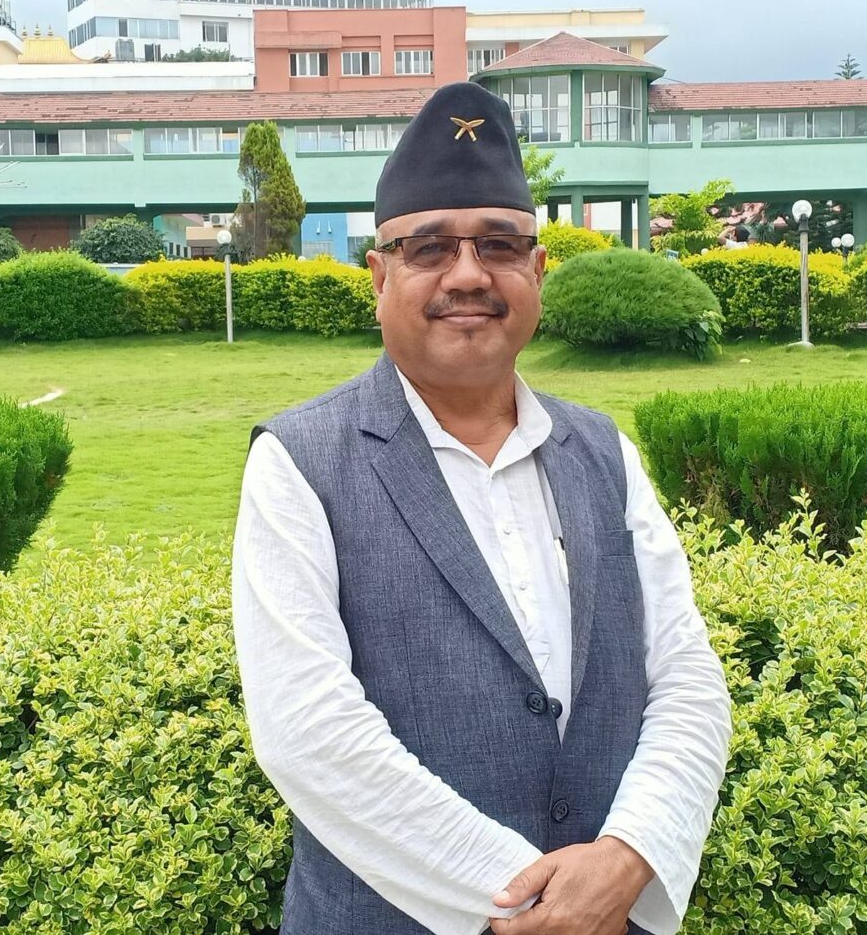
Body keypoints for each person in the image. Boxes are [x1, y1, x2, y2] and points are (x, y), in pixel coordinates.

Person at [232, 81, 732, 935]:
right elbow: (308, 732)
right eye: (428, 247)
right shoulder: (298, 463)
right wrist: (532, 900)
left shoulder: (604, 451)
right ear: (379, 275)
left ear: (537, 270)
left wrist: (629, 856)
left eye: (499, 244)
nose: (467, 274)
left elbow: (685, 674)